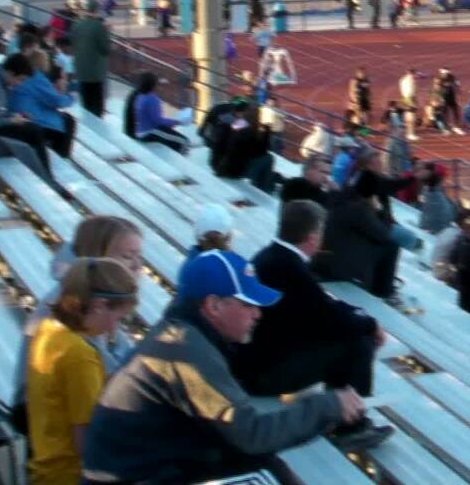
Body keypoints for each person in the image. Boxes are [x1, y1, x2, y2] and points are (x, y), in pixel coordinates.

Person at [80, 249, 370, 484]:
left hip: (148, 469)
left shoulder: (181, 336)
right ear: (214, 306)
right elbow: (251, 433)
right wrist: (328, 406)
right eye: (248, 305)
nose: (258, 314)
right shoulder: (183, 351)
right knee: (265, 472)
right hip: (136, 478)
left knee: (262, 466)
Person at [234, 201, 391, 447]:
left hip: (255, 362)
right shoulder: (288, 267)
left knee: (347, 334)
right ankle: (350, 425)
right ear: (312, 236)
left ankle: (343, 413)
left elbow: (321, 305)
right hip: (264, 373)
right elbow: (329, 316)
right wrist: (371, 325)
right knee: (358, 342)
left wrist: (360, 317)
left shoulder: (272, 257)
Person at [28, 258, 139, 485]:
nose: (114, 328)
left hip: (45, 472)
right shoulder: (80, 355)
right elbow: (89, 441)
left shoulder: (48, 331)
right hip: (70, 476)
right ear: (98, 305)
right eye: (118, 318)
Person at [317, 168, 408, 301]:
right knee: (391, 247)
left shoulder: (338, 196)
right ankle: (383, 292)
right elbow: (384, 235)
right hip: (339, 268)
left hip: (322, 259)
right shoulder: (358, 209)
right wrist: (380, 211)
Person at [3, 52, 77, 158]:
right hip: (33, 123)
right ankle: (63, 157)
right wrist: (72, 97)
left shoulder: (24, 77)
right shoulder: (36, 78)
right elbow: (58, 101)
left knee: (63, 118)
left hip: (19, 118)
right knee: (68, 120)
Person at [213, 99, 276, 193]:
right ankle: (263, 190)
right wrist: (267, 131)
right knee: (268, 158)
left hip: (223, 166)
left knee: (264, 160)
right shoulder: (248, 130)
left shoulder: (237, 125)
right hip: (234, 171)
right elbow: (261, 151)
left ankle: (266, 186)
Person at [130, 72, 188, 153]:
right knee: (184, 142)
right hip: (149, 132)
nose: (159, 86)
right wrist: (176, 122)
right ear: (153, 85)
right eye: (158, 84)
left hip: (140, 131)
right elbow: (158, 121)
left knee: (171, 136)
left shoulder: (140, 96)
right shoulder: (152, 98)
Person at [71, 9, 110, 118]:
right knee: (96, 103)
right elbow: (106, 49)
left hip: (82, 71)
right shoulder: (99, 27)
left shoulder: (76, 26)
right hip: (96, 72)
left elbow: (73, 44)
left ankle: (88, 123)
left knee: (86, 103)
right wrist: (107, 33)